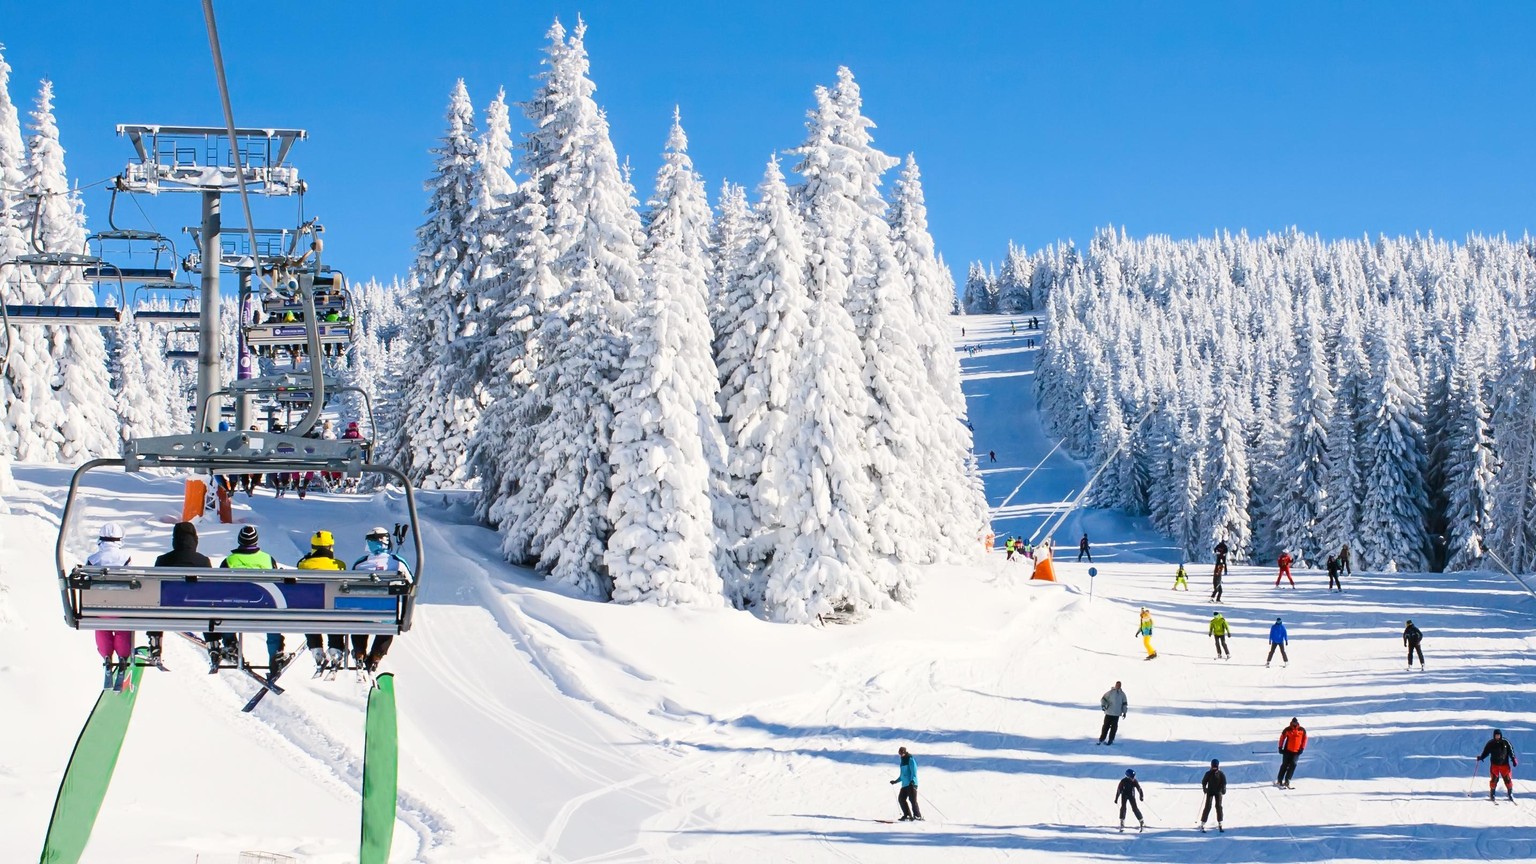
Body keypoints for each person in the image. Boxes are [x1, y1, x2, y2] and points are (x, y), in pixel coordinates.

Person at [221, 525, 287, 670]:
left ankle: (231, 644)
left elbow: (221, 587)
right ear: (256, 540)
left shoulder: (230, 560)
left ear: (240, 540)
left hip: (236, 608)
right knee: (274, 621)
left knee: (223, 613)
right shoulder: (268, 559)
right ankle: (275, 654)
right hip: (265, 606)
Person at [349, 526, 413, 672]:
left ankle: (359, 653)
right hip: (387, 614)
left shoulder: (360, 564)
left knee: (359, 622)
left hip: (361, 614)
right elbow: (410, 583)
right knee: (388, 625)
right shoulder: (397, 562)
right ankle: (376, 656)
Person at [153, 520, 215, 665]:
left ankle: (155, 641)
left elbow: (154, 585)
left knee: (155, 602)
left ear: (174, 539)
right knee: (211, 605)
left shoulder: (163, 560)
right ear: (195, 539)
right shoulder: (203, 561)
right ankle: (213, 644)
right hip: (198, 609)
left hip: (168, 608)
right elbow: (211, 588)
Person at [85, 522, 134, 687]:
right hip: (120, 606)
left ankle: (107, 657)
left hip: (98, 607)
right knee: (122, 627)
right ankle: (122, 657)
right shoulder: (125, 558)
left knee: (102, 626)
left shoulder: (93, 560)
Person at [298, 530, 349, 673]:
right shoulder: (339, 565)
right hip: (333, 609)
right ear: (330, 546)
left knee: (308, 615)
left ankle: (316, 648)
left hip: (311, 608)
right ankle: (335, 648)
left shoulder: (304, 565)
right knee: (335, 615)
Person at [1478, 729, 1518, 801]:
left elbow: (1511, 751)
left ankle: (1510, 793)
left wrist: (1513, 759)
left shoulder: (1505, 742)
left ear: (1501, 735)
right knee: (1494, 779)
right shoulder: (1491, 743)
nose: (1497, 737)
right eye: (1496, 735)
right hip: (1495, 765)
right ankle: (1492, 793)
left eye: (1498, 735)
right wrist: (1481, 757)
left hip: (1504, 765)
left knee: (1507, 779)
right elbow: (1486, 751)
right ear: (1494, 735)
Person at [889, 746, 922, 821]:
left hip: (911, 784)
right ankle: (907, 815)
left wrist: (913, 781)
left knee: (912, 800)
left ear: (904, 752)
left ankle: (917, 816)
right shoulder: (902, 762)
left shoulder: (910, 759)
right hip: (904, 785)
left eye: (901, 753)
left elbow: (914, 771)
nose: (900, 755)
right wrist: (895, 781)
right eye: (899, 753)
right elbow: (902, 776)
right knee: (901, 799)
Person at [1277, 717, 1307, 788]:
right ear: (1291, 722)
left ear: (1297, 723)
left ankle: (1287, 780)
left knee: (1293, 764)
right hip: (1287, 751)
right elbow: (1282, 738)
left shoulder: (1302, 730)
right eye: (1293, 722)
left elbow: (1304, 739)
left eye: (1295, 723)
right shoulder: (1287, 729)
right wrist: (1280, 747)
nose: (1294, 724)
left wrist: (1302, 748)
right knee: (1285, 765)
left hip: (1296, 751)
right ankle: (1280, 779)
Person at [1098, 681, 1129, 745]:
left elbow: (1124, 704)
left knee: (1114, 728)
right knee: (1105, 726)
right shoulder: (1110, 692)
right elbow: (1103, 699)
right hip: (1109, 712)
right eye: (1117, 685)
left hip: (1116, 714)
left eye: (1119, 685)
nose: (1118, 686)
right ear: (1115, 685)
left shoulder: (1122, 694)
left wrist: (1124, 712)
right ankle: (1101, 739)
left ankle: (1111, 740)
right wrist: (1103, 705)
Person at [1199, 759, 1226, 832]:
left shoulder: (1221, 774)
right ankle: (1203, 823)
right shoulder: (1208, 773)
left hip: (1218, 792)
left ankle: (1220, 822)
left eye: (1215, 767)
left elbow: (1224, 782)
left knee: (1218, 806)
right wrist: (1204, 788)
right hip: (1210, 792)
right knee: (1208, 806)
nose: (1214, 768)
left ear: (1218, 766)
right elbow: (1204, 782)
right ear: (1211, 766)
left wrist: (1223, 789)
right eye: (1213, 767)